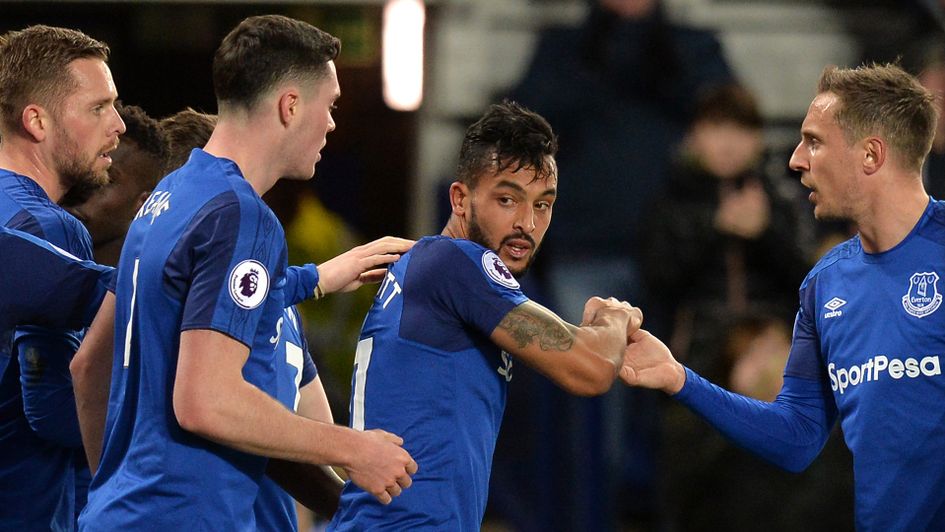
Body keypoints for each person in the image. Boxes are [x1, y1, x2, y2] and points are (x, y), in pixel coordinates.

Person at [74, 15, 416, 529]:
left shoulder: (170, 196)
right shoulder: (242, 217)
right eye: (330, 106)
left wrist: (119, 496)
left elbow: (90, 367)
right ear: (291, 105)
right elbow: (205, 402)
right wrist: (355, 448)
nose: (332, 124)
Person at [621, 63, 943, 530]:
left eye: (814, 141)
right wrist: (679, 378)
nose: (795, 159)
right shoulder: (824, 284)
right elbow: (797, 435)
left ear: (870, 155)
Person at [328, 100, 642, 531]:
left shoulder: (429, 269)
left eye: (543, 204)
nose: (527, 223)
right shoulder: (458, 263)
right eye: (508, 199)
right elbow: (591, 368)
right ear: (459, 198)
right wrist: (615, 318)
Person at [0, 24, 125, 530]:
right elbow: (59, 412)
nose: (117, 124)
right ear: (37, 120)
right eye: (99, 107)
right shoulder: (46, 226)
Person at [62, 103, 170, 266]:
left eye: (107, 179)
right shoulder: (23, 253)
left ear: (143, 204)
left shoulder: (142, 289)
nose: (83, 189)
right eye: (84, 169)